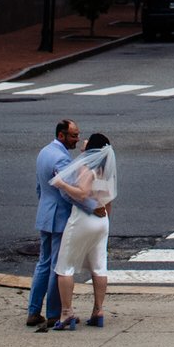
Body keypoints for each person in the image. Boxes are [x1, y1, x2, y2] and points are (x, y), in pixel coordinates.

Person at [49, 133, 117, 330]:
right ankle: (98, 309)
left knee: (65, 265)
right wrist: (106, 221)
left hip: (83, 218)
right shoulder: (107, 172)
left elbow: (82, 193)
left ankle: (66, 312)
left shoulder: (88, 169)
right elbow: (109, 200)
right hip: (102, 219)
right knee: (99, 265)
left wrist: (62, 183)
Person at [25, 118, 77, 328]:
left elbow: (39, 187)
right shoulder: (61, 160)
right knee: (58, 265)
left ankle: (33, 310)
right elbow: (66, 192)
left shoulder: (44, 152)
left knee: (43, 263)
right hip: (59, 216)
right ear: (61, 135)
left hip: (45, 212)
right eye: (73, 135)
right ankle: (54, 312)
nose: (77, 138)